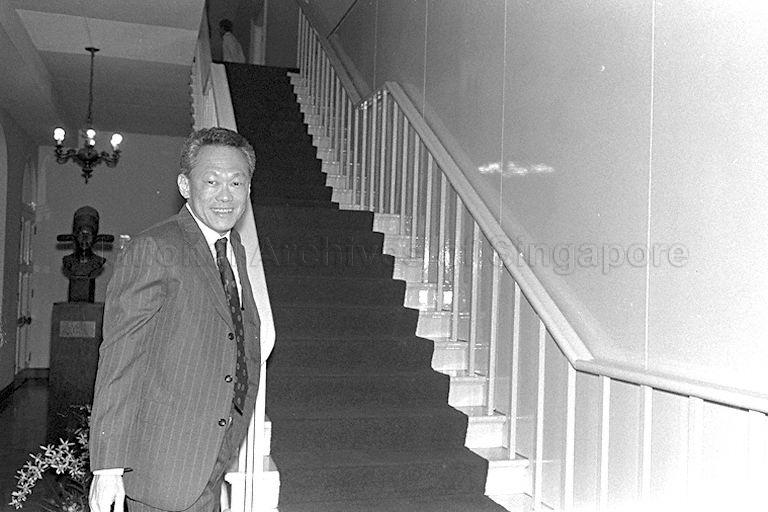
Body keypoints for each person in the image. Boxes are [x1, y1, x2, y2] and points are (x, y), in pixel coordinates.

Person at [88, 127, 269, 512]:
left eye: (237, 182)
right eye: (212, 181)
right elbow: (120, 358)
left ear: (249, 189)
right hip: (164, 468)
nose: (226, 195)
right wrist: (107, 469)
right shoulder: (154, 247)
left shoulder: (233, 248)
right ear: (185, 185)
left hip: (212, 457)